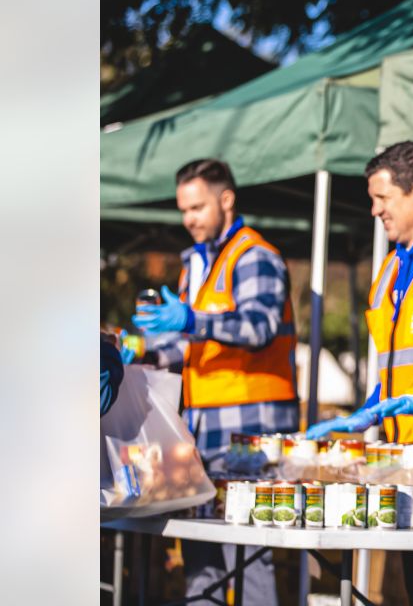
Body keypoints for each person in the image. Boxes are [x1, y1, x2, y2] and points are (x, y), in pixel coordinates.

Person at [305, 140, 413, 605]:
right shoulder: (391, 267)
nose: (375, 210)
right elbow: (396, 362)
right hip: (407, 454)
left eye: (383, 199)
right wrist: (367, 412)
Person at [132, 158, 297, 606]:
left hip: (251, 431)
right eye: (184, 209)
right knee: (198, 540)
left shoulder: (255, 256)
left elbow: (257, 327)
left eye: (198, 207)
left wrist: (189, 317)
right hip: (202, 427)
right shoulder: (197, 262)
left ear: (226, 199)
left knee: (247, 548)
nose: (189, 219)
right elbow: (194, 346)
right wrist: (143, 351)